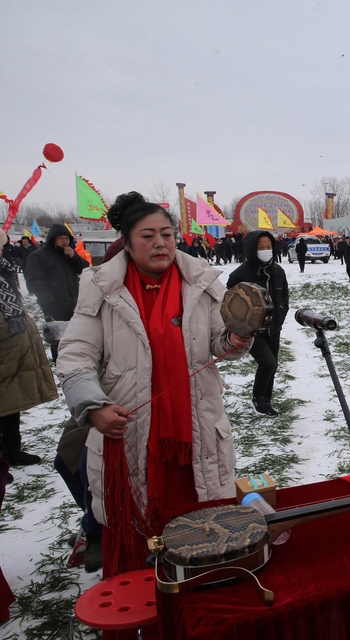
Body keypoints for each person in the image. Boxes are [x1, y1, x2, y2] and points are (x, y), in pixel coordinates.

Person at [56, 192, 253, 576]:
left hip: (195, 431)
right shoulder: (102, 288)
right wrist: (93, 406)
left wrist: (235, 339)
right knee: (139, 536)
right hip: (131, 435)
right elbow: (75, 355)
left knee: (201, 526)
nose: (160, 243)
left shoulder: (200, 281)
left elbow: (218, 344)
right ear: (126, 243)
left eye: (167, 233)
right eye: (147, 236)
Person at [0, 229, 58, 467]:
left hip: (12, 349)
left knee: (10, 404)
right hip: (6, 346)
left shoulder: (4, 269)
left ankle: (11, 451)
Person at [227, 231, 290, 416]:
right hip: (252, 330)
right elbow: (230, 303)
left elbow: (284, 296)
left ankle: (265, 400)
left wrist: (280, 316)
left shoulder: (278, 271)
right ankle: (257, 399)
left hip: (274, 327)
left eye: (268, 247)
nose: (265, 251)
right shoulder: (240, 274)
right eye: (261, 248)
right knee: (267, 363)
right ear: (252, 249)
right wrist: (242, 327)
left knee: (273, 364)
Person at [24, 223, 89, 363]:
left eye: (66, 238)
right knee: (57, 337)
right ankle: (59, 362)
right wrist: (48, 301)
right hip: (53, 304)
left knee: (75, 333)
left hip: (73, 301)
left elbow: (85, 269)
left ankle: (75, 360)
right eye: (61, 238)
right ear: (52, 239)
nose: (64, 241)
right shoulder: (39, 256)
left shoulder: (68, 253)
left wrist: (74, 257)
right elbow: (34, 280)